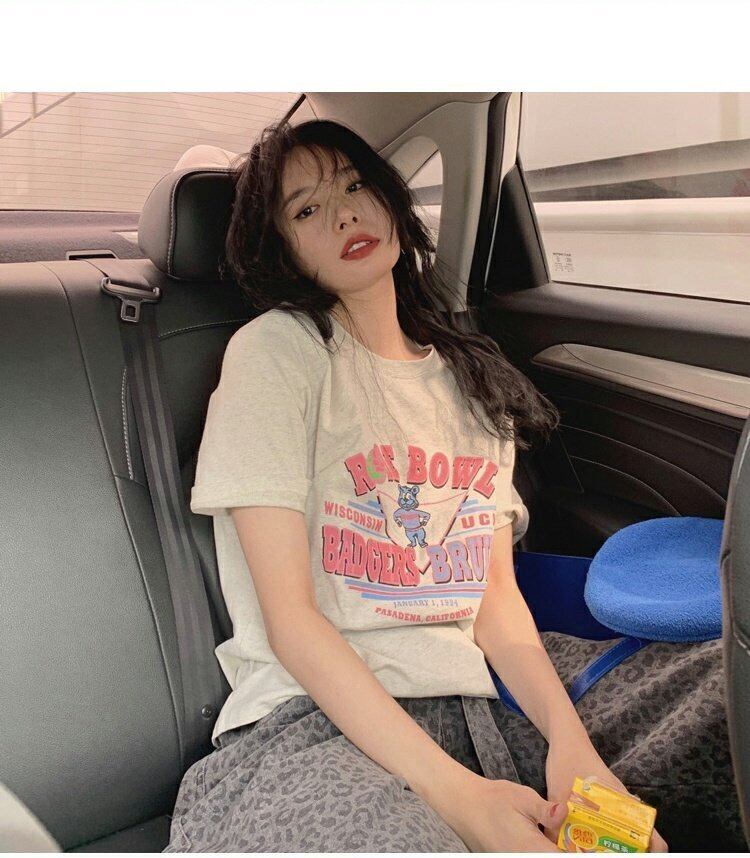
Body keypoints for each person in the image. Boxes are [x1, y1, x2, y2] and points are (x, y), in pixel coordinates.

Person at [163, 118, 744, 852]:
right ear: (283, 251)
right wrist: (459, 797)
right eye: (306, 209)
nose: (343, 214)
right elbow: (292, 622)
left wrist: (574, 749)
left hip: (482, 704)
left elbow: (494, 604)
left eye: (355, 185)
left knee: (725, 698)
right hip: (317, 719)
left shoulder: (471, 379)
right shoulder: (276, 355)